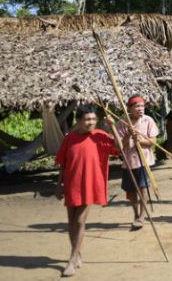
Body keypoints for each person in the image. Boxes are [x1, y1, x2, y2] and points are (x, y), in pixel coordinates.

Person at [55, 104, 118, 277]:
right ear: (79, 121)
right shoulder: (69, 138)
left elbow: (119, 148)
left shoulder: (100, 136)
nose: (90, 123)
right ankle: (78, 252)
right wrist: (59, 185)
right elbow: (63, 163)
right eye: (87, 119)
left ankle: (72, 260)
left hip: (90, 184)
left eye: (93, 119)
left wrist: (113, 126)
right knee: (71, 221)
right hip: (71, 184)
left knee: (81, 220)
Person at [115, 95, 159, 229]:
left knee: (143, 188)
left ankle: (141, 216)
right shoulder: (122, 123)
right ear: (129, 108)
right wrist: (128, 135)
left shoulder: (148, 120)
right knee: (131, 190)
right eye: (137, 106)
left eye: (142, 106)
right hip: (129, 162)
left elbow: (153, 141)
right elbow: (120, 146)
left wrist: (140, 140)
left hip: (144, 161)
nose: (140, 109)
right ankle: (135, 214)